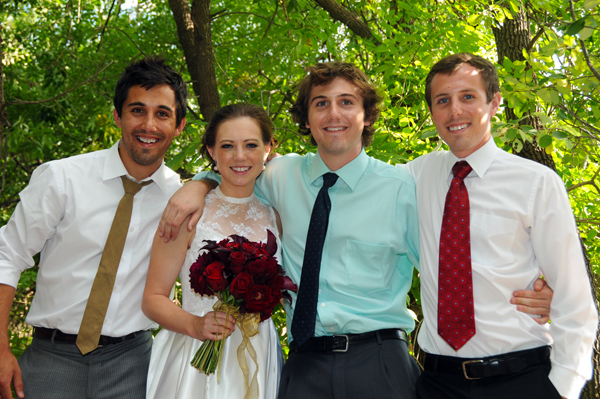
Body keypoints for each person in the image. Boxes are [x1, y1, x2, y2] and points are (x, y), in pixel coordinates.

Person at [156, 61, 555, 399]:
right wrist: (198, 184)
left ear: (366, 115)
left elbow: (450, 269)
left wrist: (535, 290)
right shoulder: (279, 175)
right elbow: (234, 169)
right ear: (306, 119)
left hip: (380, 363)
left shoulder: (403, 189)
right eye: (321, 104)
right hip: (303, 365)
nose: (334, 115)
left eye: (347, 103)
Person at [407, 53, 597, 399]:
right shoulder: (412, 177)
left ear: (494, 103)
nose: (455, 111)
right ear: (432, 111)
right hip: (438, 383)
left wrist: (563, 388)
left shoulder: (536, 182)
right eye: (443, 100)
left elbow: (573, 297)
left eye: (468, 97)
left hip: (523, 379)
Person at [0, 56, 186, 399]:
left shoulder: (182, 199)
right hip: (51, 360)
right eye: (137, 110)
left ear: (179, 126)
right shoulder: (62, 178)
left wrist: (202, 186)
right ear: (117, 115)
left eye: (162, 113)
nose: (149, 125)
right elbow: (7, 257)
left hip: (133, 364)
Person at [142, 103, 283, 399]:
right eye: (227, 146)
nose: (240, 156)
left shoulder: (277, 215)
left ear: (269, 148)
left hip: (260, 351)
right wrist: (195, 324)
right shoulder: (186, 212)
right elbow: (153, 299)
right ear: (211, 151)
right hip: (195, 353)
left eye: (251, 145)